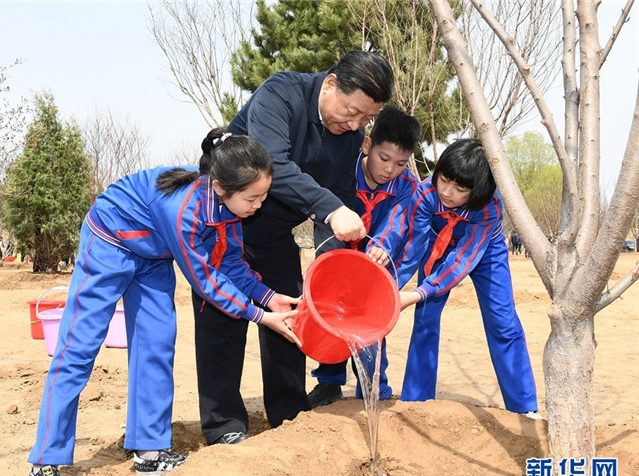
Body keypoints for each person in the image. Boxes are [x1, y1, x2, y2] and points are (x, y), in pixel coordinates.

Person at [26, 128, 301, 476]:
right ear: (221, 187)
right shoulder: (183, 209)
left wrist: (270, 296)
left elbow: (231, 264)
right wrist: (261, 316)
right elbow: (206, 282)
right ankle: (44, 464)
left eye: (263, 196)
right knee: (78, 348)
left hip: (153, 257)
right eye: (252, 198)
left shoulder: (231, 209)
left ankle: (150, 451)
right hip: (110, 241)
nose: (258, 206)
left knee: (156, 345)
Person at [192, 50, 394, 445]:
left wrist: (342, 257)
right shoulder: (280, 94)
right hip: (224, 231)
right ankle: (224, 426)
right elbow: (275, 165)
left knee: (291, 319)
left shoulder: (350, 137)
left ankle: (288, 417)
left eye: (365, 119)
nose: (355, 124)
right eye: (352, 112)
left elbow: (341, 192)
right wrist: (332, 210)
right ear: (331, 83)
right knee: (223, 323)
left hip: (274, 236)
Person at [397, 139, 539, 417]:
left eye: (460, 189)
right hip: (438, 246)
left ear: (478, 191)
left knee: (503, 322)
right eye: (443, 180)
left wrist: (420, 292)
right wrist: (392, 286)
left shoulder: (489, 207)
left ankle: (523, 408)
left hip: (485, 251)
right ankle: (417, 401)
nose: (447, 192)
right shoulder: (425, 193)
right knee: (425, 318)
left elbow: (462, 260)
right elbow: (413, 248)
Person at [307, 106, 421, 407]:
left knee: (370, 320)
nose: (389, 170)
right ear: (367, 145)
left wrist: (383, 245)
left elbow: (398, 221)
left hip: (374, 262)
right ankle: (329, 382)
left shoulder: (406, 186)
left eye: (400, 163)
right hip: (337, 255)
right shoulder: (343, 169)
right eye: (384, 158)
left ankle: (373, 388)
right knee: (332, 312)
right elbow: (325, 211)